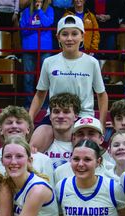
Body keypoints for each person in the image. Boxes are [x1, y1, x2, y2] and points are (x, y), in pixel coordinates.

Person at [27, 15, 108, 147]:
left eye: (74, 34)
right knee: (33, 148)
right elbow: (40, 94)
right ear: (58, 37)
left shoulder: (92, 62)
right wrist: (29, 119)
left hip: (83, 116)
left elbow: (102, 95)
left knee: (87, 152)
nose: (69, 38)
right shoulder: (49, 62)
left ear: (82, 36)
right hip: (55, 115)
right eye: (65, 34)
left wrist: (101, 123)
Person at [20, 0, 56, 94]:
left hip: (45, 48)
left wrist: (39, 11)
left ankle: (45, 104)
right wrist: (38, 26)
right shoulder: (27, 11)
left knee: (45, 77)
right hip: (29, 47)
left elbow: (47, 23)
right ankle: (29, 103)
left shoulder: (49, 10)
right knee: (28, 77)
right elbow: (23, 30)